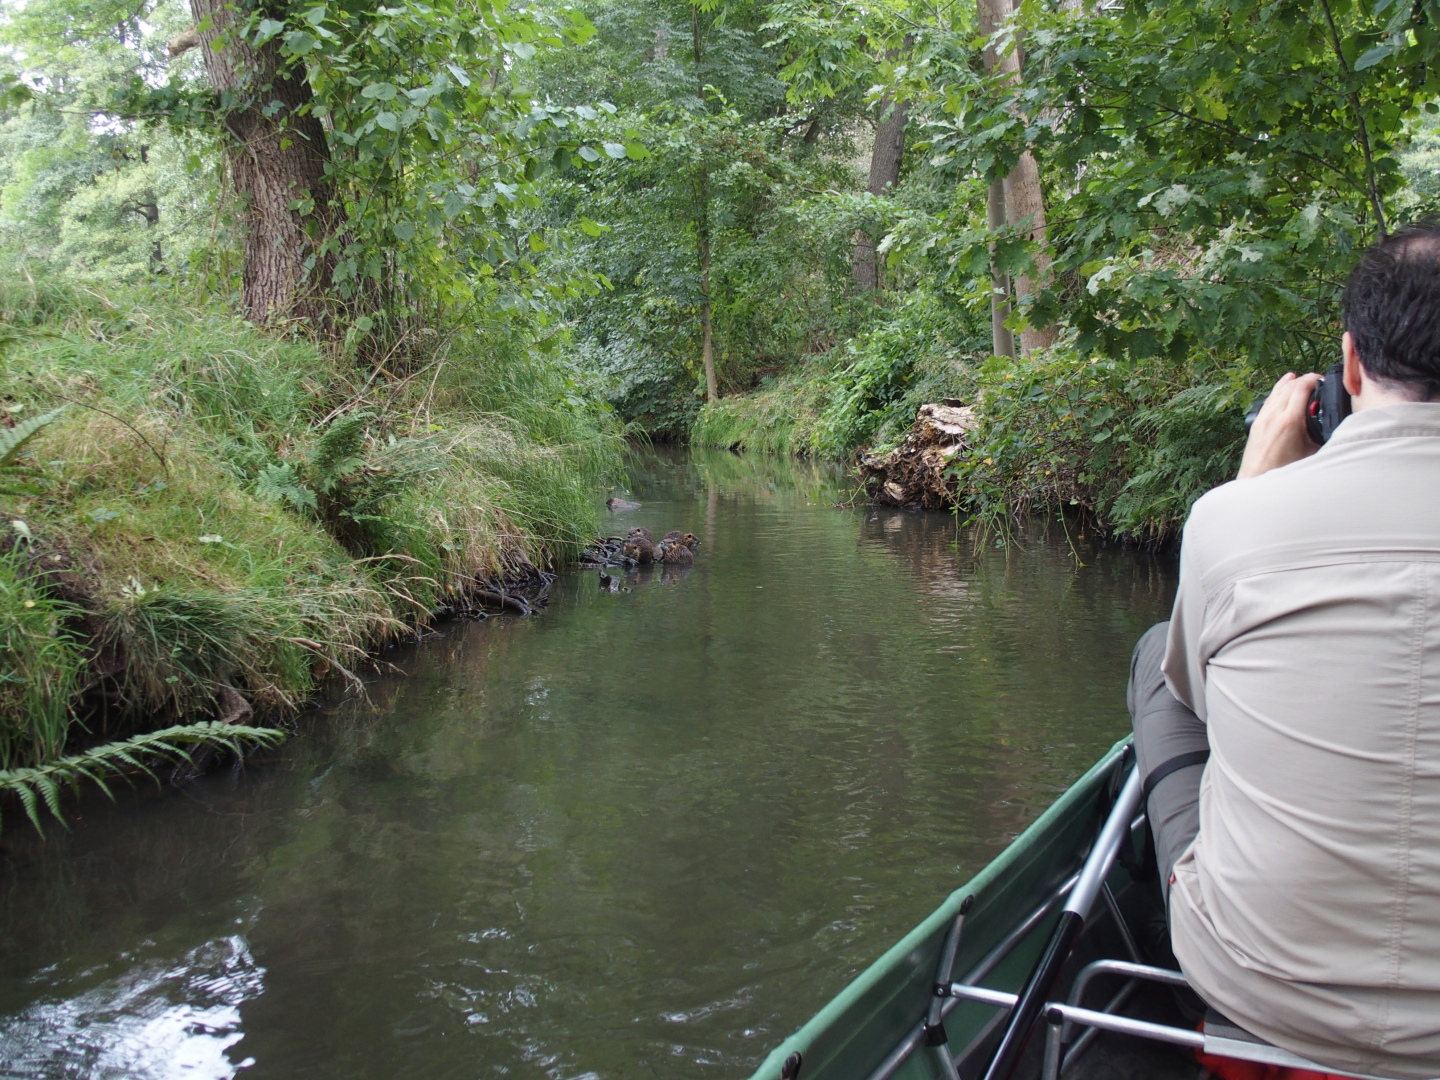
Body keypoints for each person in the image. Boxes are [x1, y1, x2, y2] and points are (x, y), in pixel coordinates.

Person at [1130, 222, 1440, 1079]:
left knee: (1166, 651)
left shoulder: (1233, 520)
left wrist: (1252, 479)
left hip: (1262, 992)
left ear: (1348, 368)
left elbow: (1198, 696)